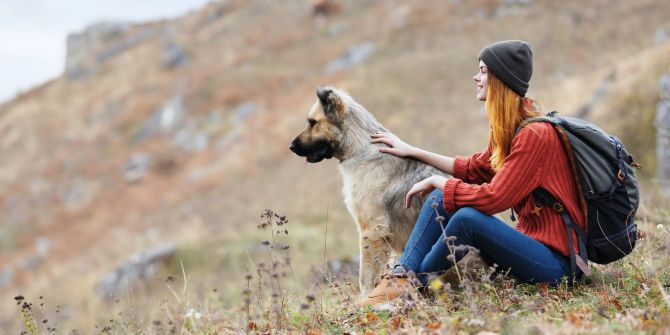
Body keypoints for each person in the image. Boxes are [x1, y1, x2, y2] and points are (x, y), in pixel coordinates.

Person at [364, 40, 585, 305]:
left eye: (482, 70)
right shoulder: (511, 129)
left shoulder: (535, 135)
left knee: (466, 217)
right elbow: (473, 168)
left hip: (557, 265)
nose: (476, 77)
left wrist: (438, 181)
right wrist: (413, 151)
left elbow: (494, 199)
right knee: (439, 198)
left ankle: (412, 289)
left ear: (500, 78)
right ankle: (401, 278)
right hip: (530, 247)